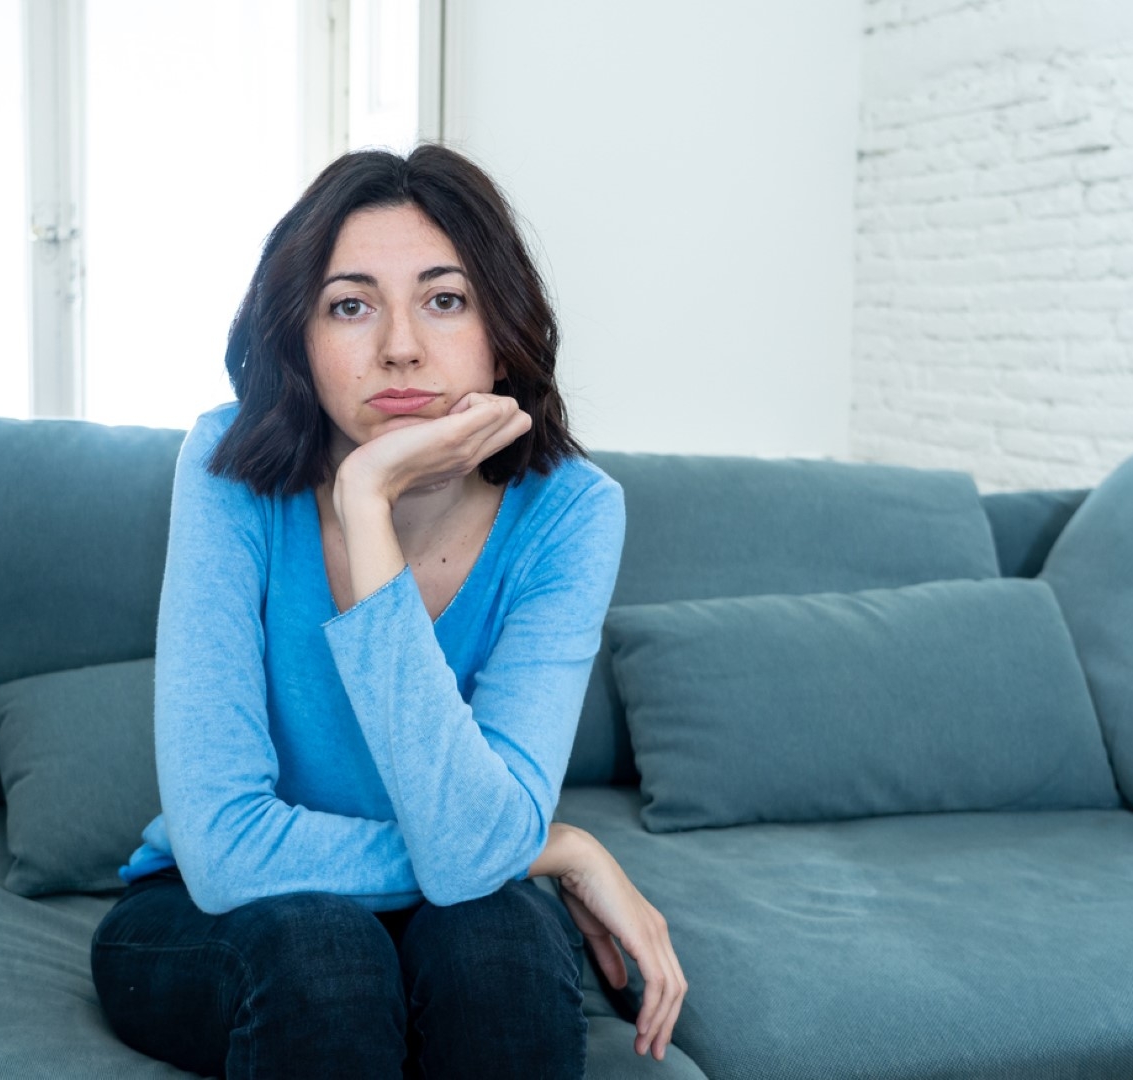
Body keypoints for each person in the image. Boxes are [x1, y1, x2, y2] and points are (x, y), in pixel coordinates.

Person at [90, 144, 686, 1079]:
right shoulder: (226, 468)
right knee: (328, 955)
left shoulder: (571, 512)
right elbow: (226, 851)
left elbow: (474, 859)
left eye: (443, 300)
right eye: (350, 305)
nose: (399, 346)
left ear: (501, 327)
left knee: (498, 953)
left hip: (461, 904)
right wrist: (550, 849)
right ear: (299, 338)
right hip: (220, 915)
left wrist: (366, 510)